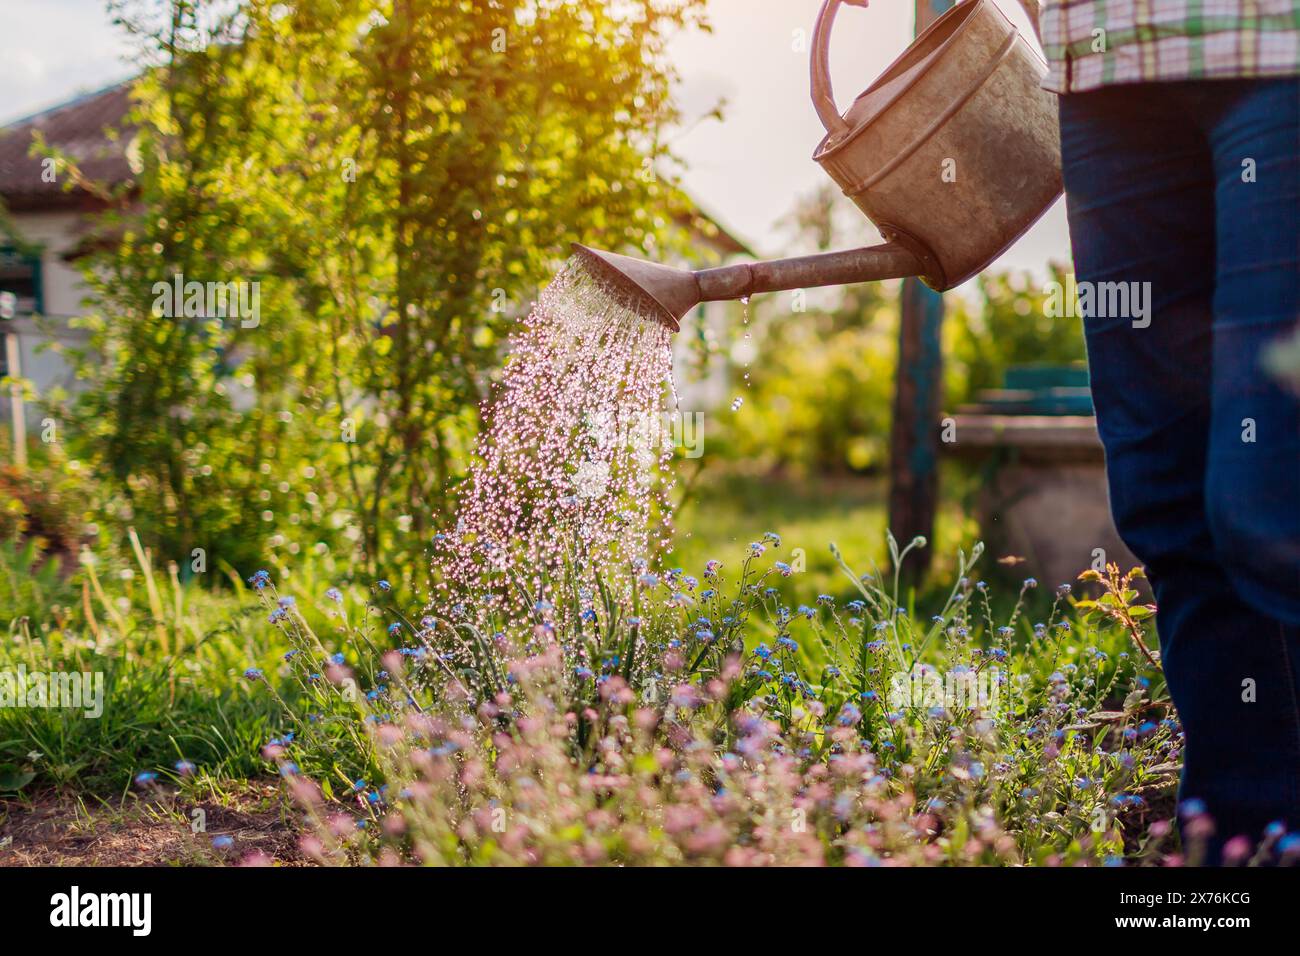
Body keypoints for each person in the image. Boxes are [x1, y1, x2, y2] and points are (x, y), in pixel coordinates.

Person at [1033, 0, 1300, 862]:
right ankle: (1242, 845)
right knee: (1167, 496)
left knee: (1273, 491)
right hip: (1107, 69)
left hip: (1277, 44)